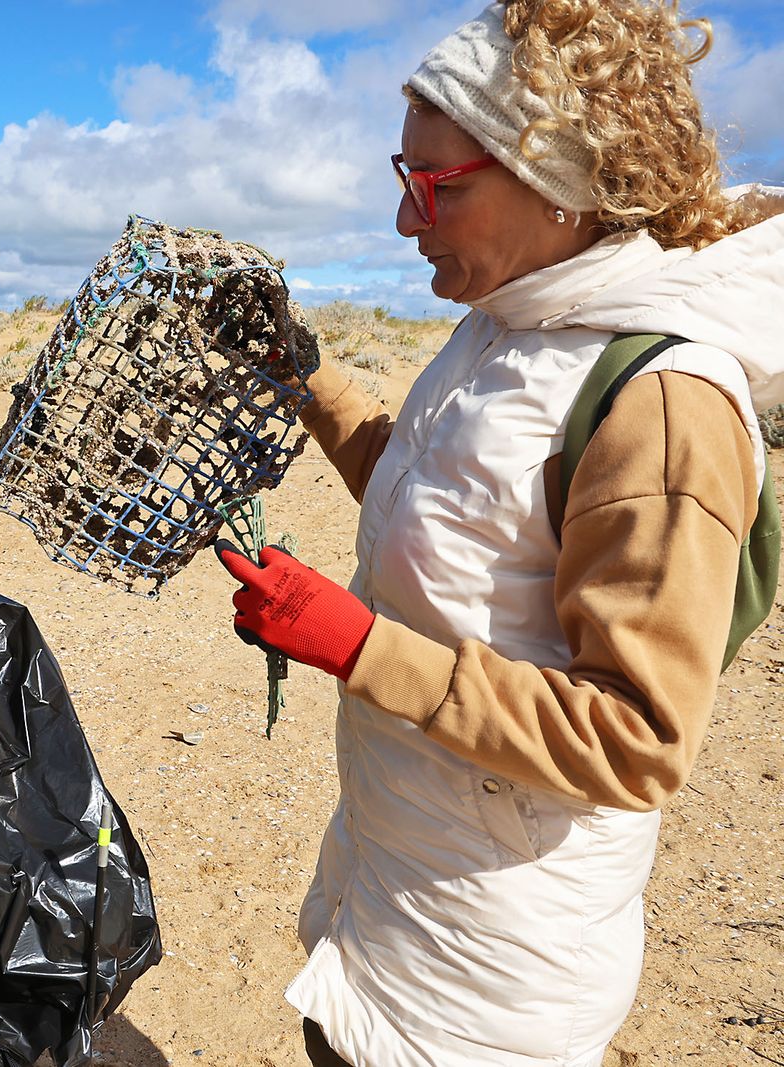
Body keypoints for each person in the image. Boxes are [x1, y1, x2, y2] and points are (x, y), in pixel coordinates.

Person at [214, 3, 782, 1065]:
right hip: (402, 873)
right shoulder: (506, 324)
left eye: (437, 184)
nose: (403, 220)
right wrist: (305, 374)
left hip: (497, 958)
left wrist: (355, 643)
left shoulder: (663, 402)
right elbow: (443, 495)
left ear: (559, 177)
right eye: (402, 174)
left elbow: (635, 737)